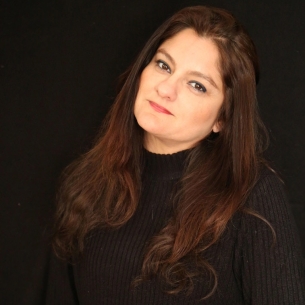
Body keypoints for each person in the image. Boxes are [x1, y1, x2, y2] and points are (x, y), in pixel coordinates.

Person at [46, 5, 305, 305]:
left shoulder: (251, 197)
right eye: (163, 65)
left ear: (223, 118)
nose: (166, 88)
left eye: (197, 85)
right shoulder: (87, 183)